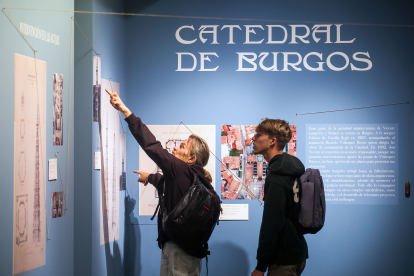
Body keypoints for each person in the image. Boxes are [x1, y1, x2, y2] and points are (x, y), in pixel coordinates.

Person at [105, 89, 213, 276]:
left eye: (182, 146)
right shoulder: (197, 178)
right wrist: (150, 177)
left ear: (191, 158)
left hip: (177, 252)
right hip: (193, 253)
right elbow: (170, 186)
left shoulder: (180, 169)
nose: (174, 148)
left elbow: (152, 146)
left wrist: (125, 111)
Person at [251, 118, 307, 276]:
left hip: (283, 258)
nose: (253, 138)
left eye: (259, 135)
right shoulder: (290, 168)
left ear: (272, 141)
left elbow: (272, 223)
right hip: (296, 250)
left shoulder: (277, 175)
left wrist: (260, 266)